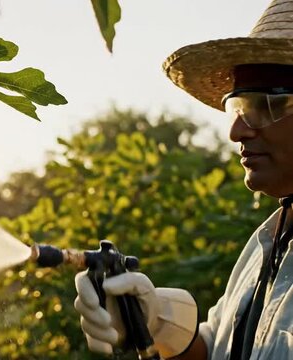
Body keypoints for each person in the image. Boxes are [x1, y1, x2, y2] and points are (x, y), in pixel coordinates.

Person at [74, 0, 293, 359]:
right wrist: (154, 319)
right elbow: (222, 350)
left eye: (263, 105)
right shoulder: (266, 244)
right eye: (236, 107)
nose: (235, 131)